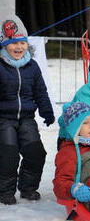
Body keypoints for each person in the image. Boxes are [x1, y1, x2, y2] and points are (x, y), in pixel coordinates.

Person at [0, 15, 55, 205]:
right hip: (4, 119)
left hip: (26, 118)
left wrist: (47, 111)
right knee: (8, 153)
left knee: (36, 152)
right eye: (14, 43)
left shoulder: (32, 66)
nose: (19, 47)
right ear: (4, 44)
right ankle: (5, 191)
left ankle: (28, 187)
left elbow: (40, 91)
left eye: (22, 43)